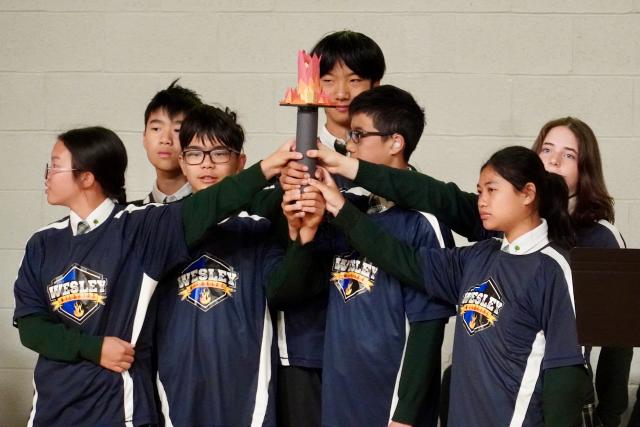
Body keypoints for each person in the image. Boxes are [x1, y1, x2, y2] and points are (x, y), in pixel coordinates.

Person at [303, 116, 631, 427]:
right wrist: (343, 189)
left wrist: (611, 414)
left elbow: (600, 352)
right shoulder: (482, 249)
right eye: (546, 149)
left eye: (569, 154)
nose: (554, 160)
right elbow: (419, 226)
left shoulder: (572, 256)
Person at [13, 126, 300, 426]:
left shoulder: (142, 226)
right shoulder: (42, 243)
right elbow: (31, 327)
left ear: (86, 177)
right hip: (51, 409)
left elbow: (210, 203)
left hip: (118, 407)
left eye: (55, 165)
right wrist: (93, 348)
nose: (47, 175)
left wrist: (268, 168)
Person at [273, 85, 455, 427]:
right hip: (340, 400)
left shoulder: (424, 222)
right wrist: (302, 230)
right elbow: (288, 290)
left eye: (358, 134)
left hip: (390, 406)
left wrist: (405, 415)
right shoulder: (348, 207)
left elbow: (427, 328)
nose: (348, 145)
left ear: (395, 142)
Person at [274, 30, 387, 427]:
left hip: (370, 344)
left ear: (375, 85)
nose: (341, 92)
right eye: (328, 79)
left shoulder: (390, 168)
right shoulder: (288, 164)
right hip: (305, 342)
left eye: (354, 79)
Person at [149, 104, 286, 426]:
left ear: (240, 162)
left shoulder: (259, 226)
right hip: (177, 382)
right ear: (182, 162)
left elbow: (285, 288)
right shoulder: (160, 223)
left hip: (246, 384)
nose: (207, 164)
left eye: (220, 153)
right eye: (195, 154)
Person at [137, 78, 202, 204]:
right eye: (156, 129)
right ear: (144, 137)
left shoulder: (209, 208)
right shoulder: (131, 212)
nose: (165, 140)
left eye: (178, 130)